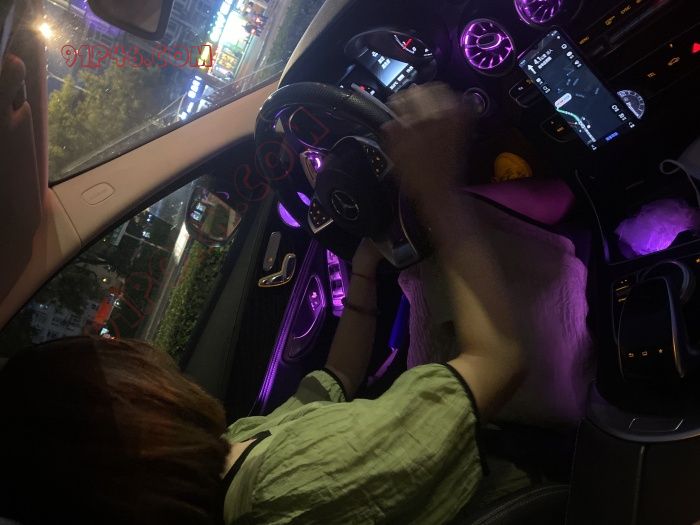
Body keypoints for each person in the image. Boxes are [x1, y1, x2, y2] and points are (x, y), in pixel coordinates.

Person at [0, 84, 581, 525]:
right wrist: (436, 187)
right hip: (528, 457)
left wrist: (363, 268)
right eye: (119, 364)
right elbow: (499, 359)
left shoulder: (234, 456)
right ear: (137, 416)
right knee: (531, 219)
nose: (139, 351)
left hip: (478, 413)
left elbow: (336, 378)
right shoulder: (295, 482)